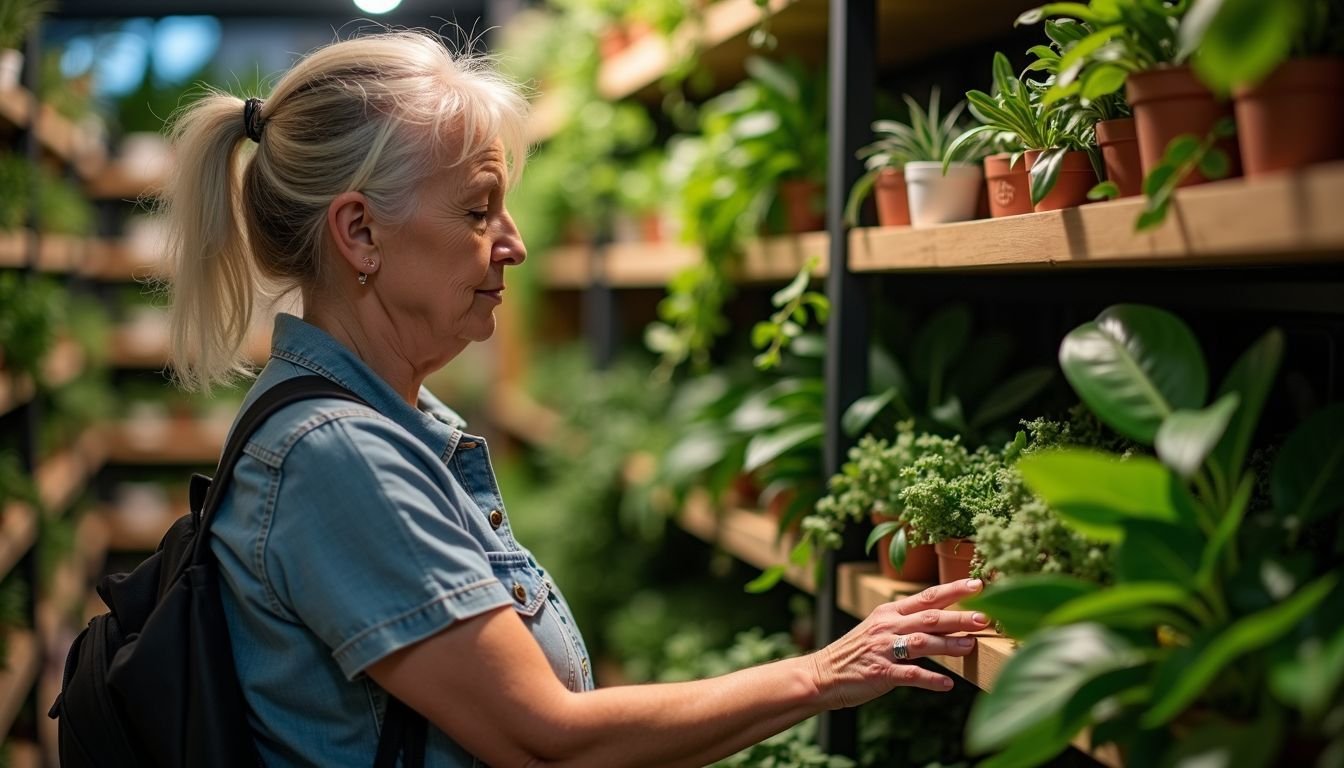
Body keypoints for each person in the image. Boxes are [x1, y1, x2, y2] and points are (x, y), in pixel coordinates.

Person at [164, 31, 989, 767]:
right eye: (478, 209)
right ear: (360, 233)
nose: (514, 243)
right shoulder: (340, 456)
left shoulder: (387, 424)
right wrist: (819, 673)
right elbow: (544, 738)